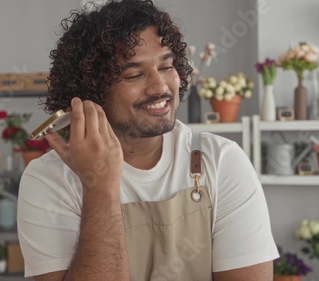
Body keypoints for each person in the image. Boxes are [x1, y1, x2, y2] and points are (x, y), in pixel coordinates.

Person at [17, 0, 279, 280]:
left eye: (167, 67)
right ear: (91, 91)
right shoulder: (49, 180)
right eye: (134, 74)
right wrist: (100, 189)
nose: (160, 87)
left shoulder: (220, 161)